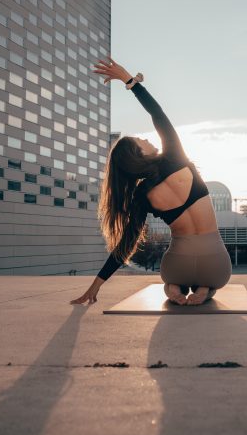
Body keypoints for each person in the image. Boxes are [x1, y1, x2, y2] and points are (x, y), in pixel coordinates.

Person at [70, 58, 232, 307]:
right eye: (140, 141)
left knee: (172, 278)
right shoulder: (175, 157)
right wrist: (129, 80)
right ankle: (205, 290)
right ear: (139, 153)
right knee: (212, 280)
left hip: (178, 263)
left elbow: (126, 244)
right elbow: (157, 114)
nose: (146, 140)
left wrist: (95, 286)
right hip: (216, 261)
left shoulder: (142, 195)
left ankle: (173, 287)